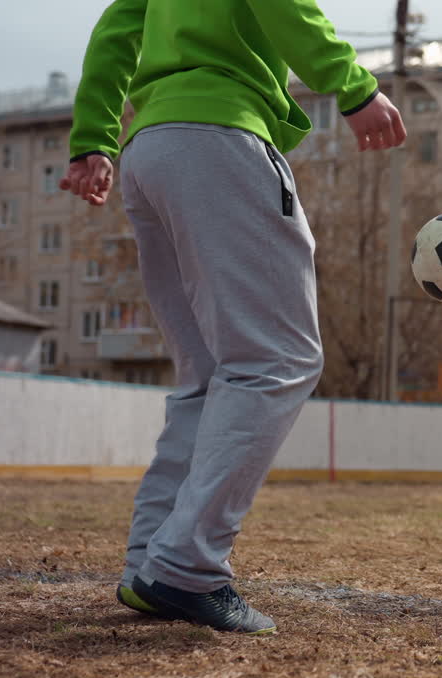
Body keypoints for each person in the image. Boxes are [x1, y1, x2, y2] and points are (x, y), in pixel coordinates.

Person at [61, 0, 406, 635]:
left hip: (150, 151)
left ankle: (151, 563)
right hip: (220, 138)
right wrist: (353, 88)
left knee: (209, 374)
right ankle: (186, 569)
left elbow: (115, 31)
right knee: (278, 358)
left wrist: (93, 139)